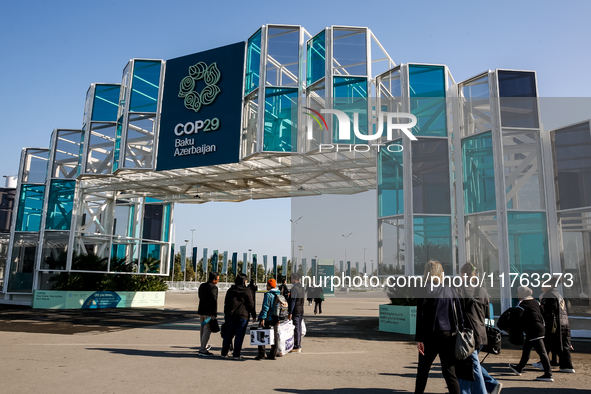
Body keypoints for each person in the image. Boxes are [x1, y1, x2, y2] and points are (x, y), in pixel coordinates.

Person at [415, 260, 463, 394]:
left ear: (427, 272)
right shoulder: (450, 290)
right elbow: (459, 314)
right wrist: (461, 331)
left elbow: (421, 315)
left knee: (423, 371)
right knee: (449, 371)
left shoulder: (424, 289)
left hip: (430, 335)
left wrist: (419, 338)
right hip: (448, 335)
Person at [456, 263, 502, 394]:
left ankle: (484, 390)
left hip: (468, 334)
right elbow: (488, 313)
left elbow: (457, 312)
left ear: (463, 274)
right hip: (481, 333)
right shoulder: (482, 290)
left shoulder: (460, 290)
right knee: (471, 362)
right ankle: (492, 385)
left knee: (472, 365)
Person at [509, 285, 553, 382]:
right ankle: (519, 367)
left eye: (518, 293)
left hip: (533, 330)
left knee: (542, 352)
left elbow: (516, 318)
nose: (517, 295)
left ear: (522, 293)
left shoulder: (522, 304)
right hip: (539, 328)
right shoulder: (535, 301)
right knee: (526, 349)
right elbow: (542, 312)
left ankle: (548, 374)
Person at [537, 277, 575, 373]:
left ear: (551, 285)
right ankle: (567, 365)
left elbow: (547, 312)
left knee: (547, 344)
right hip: (563, 323)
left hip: (553, 324)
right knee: (561, 345)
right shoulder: (559, 295)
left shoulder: (548, 295)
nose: (543, 286)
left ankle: (545, 365)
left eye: (545, 284)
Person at [221, 273, 255, 360]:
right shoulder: (246, 291)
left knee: (228, 335)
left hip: (230, 315)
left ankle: (224, 353)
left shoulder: (230, 290)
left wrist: (226, 314)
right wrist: (253, 314)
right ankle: (236, 354)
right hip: (242, 316)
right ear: (244, 281)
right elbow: (251, 304)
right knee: (239, 336)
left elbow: (226, 303)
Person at [255, 279, 282, 360]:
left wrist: (262, 318)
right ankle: (273, 354)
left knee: (261, 334)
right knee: (274, 336)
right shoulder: (278, 294)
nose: (266, 286)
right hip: (275, 318)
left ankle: (262, 353)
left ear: (270, 286)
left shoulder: (268, 294)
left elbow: (265, 307)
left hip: (268, 318)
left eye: (267, 285)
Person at [197, 271, 219, 357]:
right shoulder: (214, 288)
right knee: (207, 330)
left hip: (201, 310)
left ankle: (203, 345)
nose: (218, 281)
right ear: (213, 280)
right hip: (208, 313)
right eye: (217, 279)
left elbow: (200, 296)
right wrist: (213, 313)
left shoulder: (202, 285)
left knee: (202, 329)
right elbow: (214, 301)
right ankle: (202, 349)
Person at [288, 273, 305, 353]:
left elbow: (293, 301)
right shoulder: (302, 287)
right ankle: (298, 344)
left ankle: (297, 346)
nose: (290, 280)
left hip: (296, 310)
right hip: (301, 309)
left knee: (296, 329)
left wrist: (290, 312)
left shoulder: (294, 288)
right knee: (299, 328)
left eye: (291, 278)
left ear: (295, 279)